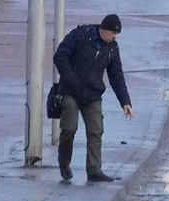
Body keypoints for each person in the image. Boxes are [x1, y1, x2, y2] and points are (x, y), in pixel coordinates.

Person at [52, 14, 133, 183]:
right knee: (69, 128)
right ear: (103, 29)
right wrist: (72, 79)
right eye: (112, 33)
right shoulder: (80, 35)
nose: (114, 37)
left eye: (116, 34)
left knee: (96, 131)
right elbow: (60, 56)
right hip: (71, 91)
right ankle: (64, 163)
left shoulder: (112, 49)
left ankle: (94, 170)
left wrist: (125, 101)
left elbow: (116, 76)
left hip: (93, 95)